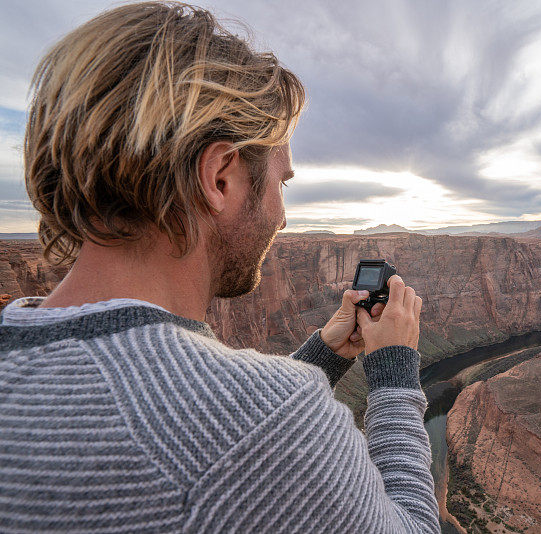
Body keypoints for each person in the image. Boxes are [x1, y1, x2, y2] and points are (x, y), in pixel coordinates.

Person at [0, 2, 439, 533]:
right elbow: (412, 526)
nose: (282, 215)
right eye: (282, 182)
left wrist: (322, 355)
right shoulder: (271, 422)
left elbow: (230, 442)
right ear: (220, 177)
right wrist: (392, 373)